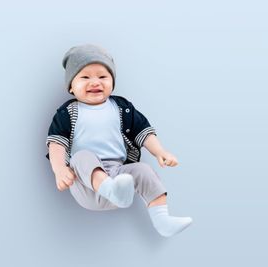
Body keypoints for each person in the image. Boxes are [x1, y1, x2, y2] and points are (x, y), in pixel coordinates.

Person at [45, 44, 192, 237]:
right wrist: (59, 170)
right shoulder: (68, 113)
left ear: (112, 82)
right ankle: (108, 188)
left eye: (103, 76)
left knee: (143, 170)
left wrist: (160, 152)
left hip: (120, 178)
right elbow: (57, 144)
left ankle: (162, 220)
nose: (95, 82)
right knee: (81, 156)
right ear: (71, 86)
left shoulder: (122, 107)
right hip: (86, 185)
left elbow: (144, 132)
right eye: (85, 77)